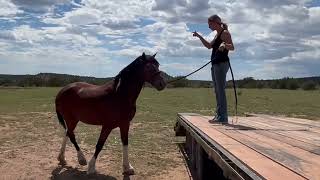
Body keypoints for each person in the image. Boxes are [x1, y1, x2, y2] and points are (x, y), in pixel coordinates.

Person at [193, 14, 234, 123]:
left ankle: (223, 117)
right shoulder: (217, 35)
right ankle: (219, 116)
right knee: (217, 91)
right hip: (215, 64)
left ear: (216, 22)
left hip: (221, 64)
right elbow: (209, 46)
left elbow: (232, 47)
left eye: (209, 24)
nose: (208, 26)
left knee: (220, 91)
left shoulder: (225, 33)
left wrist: (225, 44)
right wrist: (199, 36)